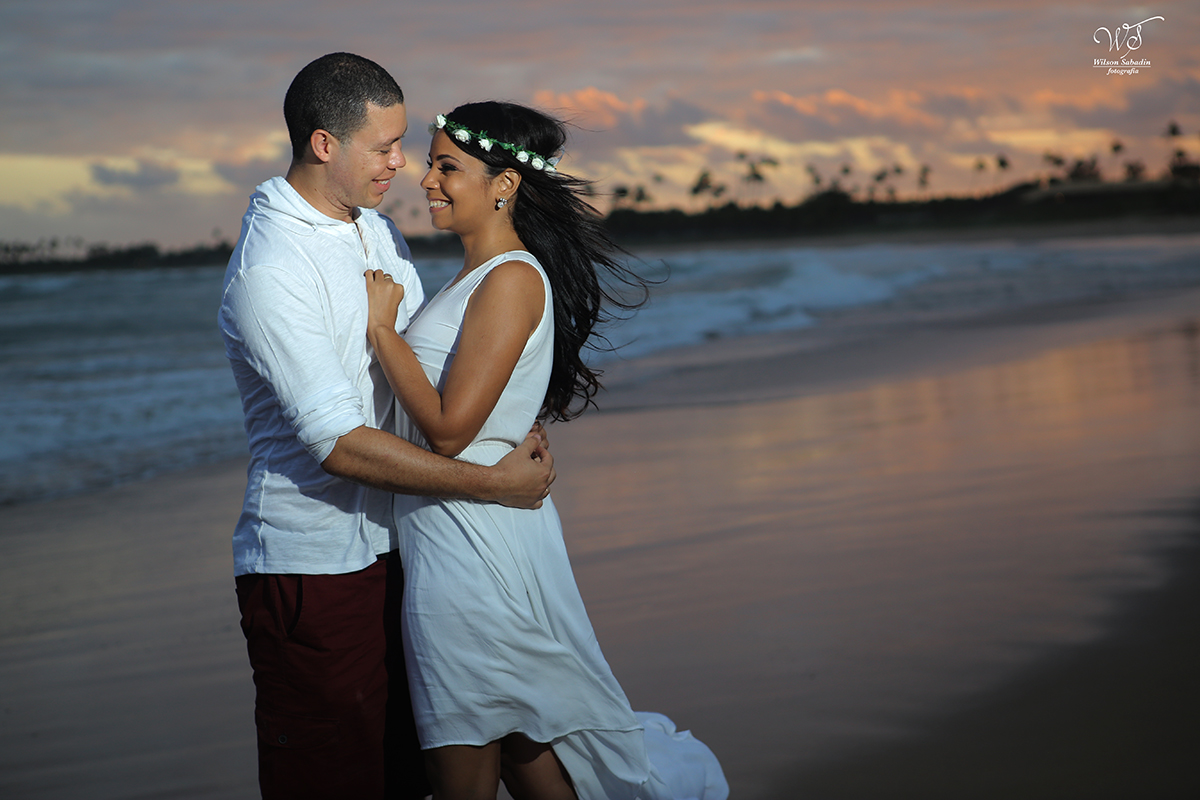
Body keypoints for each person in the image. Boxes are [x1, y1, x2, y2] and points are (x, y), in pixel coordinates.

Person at [364, 102, 727, 800]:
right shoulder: (478, 279)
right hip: (460, 538)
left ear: (504, 184)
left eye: (447, 167)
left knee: (462, 764)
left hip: (473, 554)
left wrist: (383, 333)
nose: (427, 181)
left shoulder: (510, 279)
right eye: (432, 165)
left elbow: (449, 430)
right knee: (520, 754)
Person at [217, 55, 555, 800]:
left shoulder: (376, 232)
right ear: (324, 144)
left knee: (413, 772)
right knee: (334, 780)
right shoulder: (273, 269)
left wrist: (509, 420)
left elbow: (429, 370)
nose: (403, 164)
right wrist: (492, 484)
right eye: (385, 147)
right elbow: (337, 445)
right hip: (314, 567)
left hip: (407, 550)